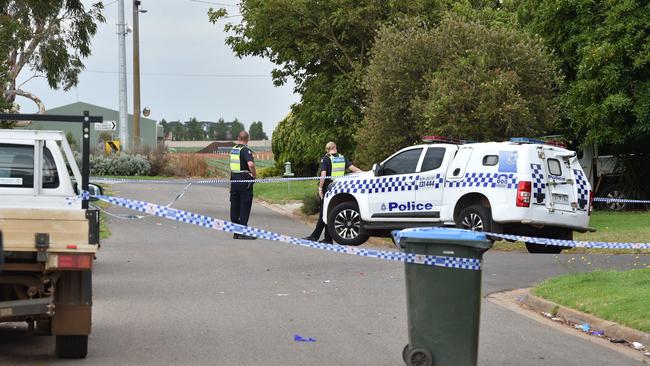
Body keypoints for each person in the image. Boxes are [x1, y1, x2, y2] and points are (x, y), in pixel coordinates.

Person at [304, 141, 361, 243]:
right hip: (339, 188)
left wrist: (320, 188)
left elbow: (323, 174)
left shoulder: (326, 158)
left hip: (328, 187)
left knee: (324, 212)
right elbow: (355, 170)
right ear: (335, 147)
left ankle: (316, 237)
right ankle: (327, 238)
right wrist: (365, 174)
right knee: (329, 212)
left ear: (327, 149)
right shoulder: (342, 158)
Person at [230, 131, 257, 240]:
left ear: (238, 138)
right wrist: (254, 175)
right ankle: (243, 232)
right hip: (244, 181)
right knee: (245, 205)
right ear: (247, 139)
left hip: (234, 180)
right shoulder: (246, 150)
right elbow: (250, 164)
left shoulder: (234, 150)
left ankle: (236, 231)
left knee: (234, 205)